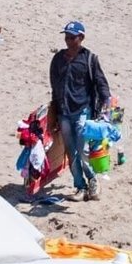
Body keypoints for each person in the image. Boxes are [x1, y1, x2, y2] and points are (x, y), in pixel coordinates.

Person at [48, 22, 111, 203]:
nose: (68, 40)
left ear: (81, 38)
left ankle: (92, 180)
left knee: (83, 150)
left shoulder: (90, 59)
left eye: (72, 37)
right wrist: (54, 112)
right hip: (63, 111)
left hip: (83, 110)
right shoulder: (58, 59)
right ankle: (79, 186)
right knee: (71, 151)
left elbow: (101, 83)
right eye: (66, 36)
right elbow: (54, 84)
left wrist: (106, 103)